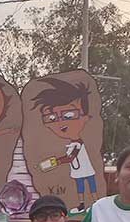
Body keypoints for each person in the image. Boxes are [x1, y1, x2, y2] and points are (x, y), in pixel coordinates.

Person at [29, 78, 98, 212]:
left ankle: (95, 203)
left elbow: (71, 158)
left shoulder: (78, 144)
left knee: (91, 184)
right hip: (77, 171)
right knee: (79, 186)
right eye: (52, 118)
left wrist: (53, 162)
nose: (59, 123)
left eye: (68, 115)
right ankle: (82, 205)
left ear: (85, 118)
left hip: (87, 169)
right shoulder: (70, 144)